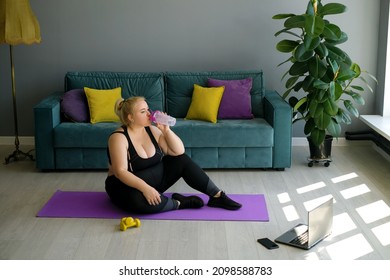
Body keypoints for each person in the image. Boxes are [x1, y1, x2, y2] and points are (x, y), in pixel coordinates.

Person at [105, 96, 242, 214]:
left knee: (181, 160)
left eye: (148, 109)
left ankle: (217, 196)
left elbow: (178, 152)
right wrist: (146, 189)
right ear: (130, 117)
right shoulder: (118, 138)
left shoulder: (152, 130)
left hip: (154, 182)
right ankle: (179, 203)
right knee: (138, 203)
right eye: (143, 111)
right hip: (124, 187)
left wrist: (166, 130)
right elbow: (120, 172)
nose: (149, 113)